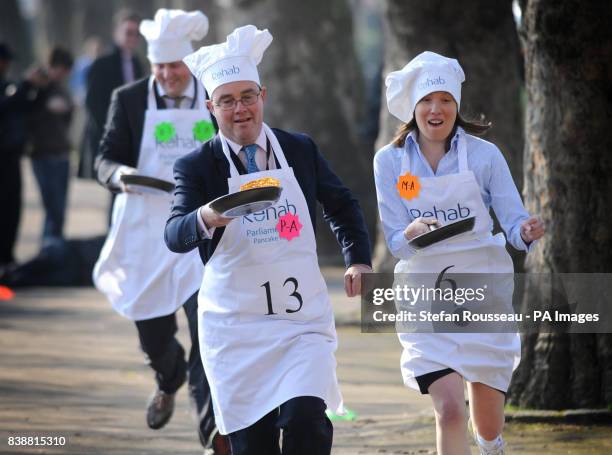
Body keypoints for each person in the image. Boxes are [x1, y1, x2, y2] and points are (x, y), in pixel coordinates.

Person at [165, 25, 373, 455]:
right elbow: (174, 234)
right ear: (211, 106)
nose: (239, 109)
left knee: (306, 422)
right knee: (253, 445)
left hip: (300, 324)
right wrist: (207, 215)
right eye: (227, 101)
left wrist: (358, 259)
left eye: (247, 97)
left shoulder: (299, 149)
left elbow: (341, 203)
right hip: (236, 331)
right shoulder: (196, 166)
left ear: (263, 95)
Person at [373, 51, 545, 455]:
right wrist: (412, 233)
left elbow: (513, 219)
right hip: (426, 294)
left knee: (486, 425)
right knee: (450, 410)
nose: (437, 109)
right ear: (413, 108)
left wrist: (526, 230)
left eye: (446, 100)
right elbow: (396, 240)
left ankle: (491, 446)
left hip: (482, 291)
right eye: (427, 100)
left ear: (456, 106)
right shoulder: (389, 161)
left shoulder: (485, 156)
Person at [91, 9, 228, 454]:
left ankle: (212, 435)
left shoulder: (214, 95)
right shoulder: (129, 98)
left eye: (175, 66)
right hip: (145, 231)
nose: (168, 75)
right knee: (152, 332)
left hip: (202, 232)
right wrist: (121, 176)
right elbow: (104, 158)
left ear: (189, 64)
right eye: (160, 67)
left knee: (206, 332)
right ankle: (167, 377)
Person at [79, 9, 144, 180]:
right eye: (129, 32)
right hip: (110, 135)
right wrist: (110, 132)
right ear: (117, 32)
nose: (133, 38)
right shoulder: (101, 64)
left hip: (133, 136)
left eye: (137, 33)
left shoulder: (137, 63)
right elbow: (92, 103)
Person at [0, 43, 45, 274]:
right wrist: (26, 84)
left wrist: (38, 88)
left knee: (12, 208)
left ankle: (7, 256)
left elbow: (26, 106)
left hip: (12, 156)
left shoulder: (9, 85)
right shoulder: (10, 88)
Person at [27, 47, 74, 248]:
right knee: (52, 208)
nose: (64, 75)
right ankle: (49, 252)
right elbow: (26, 115)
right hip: (43, 154)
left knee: (60, 208)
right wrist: (46, 105)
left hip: (61, 152)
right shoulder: (38, 86)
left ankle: (55, 250)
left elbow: (67, 116)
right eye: (62, 70)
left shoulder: (61, 88)